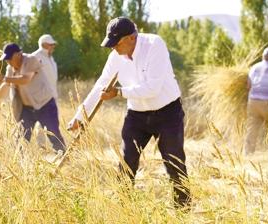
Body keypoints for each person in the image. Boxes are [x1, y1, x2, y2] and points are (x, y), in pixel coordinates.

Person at [68, 17, 190, 207]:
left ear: (132, 38)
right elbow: (100, 85)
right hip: (137, 115)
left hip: (168, 113)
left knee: (174, 164)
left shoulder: (154, 45)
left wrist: (119, 92)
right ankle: (123, 208)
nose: (112, 48)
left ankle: (183, 212)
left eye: (116, 43)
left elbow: (153, 88)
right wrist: (80, 116)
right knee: (126, 162)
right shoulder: (115, 55)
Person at [0, 43, 65, 153]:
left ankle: (64, 159)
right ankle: (19, 166)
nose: (7, 61)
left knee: (54, 135)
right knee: (21, 140)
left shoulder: (31, 60)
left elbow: (25, 79)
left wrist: (5, 78)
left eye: (9, 58)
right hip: (26, 109)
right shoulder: (10, 68)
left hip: (45, 105)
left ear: (18, 54)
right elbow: (6, 85)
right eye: (6, 59)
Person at [32, 34, 58, 99]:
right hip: (41, 98)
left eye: (53, 44)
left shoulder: (51, 58)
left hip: (52, 96)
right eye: (51, 44)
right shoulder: (34, 57)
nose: (53, 46)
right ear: (43, 45)